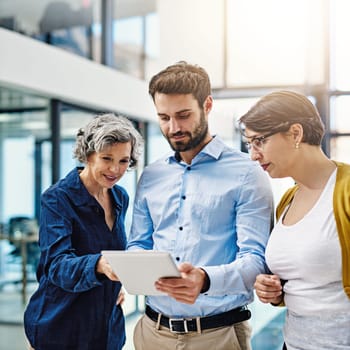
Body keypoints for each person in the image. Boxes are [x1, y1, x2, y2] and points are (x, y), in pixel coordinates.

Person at [127, 61, 274, 350]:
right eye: (164, 117)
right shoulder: (151, 175)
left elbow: (256, 261)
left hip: (217, 336)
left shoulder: (247, 173)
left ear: (207, 105)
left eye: (183, 115)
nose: (174, 127)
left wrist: (205, 280)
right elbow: (138, 244)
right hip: (151, 333)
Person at [238, 90, 350, 350]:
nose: (254, 155)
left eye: (259, 141)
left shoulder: (344, 191)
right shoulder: (288, 200)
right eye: (249, 144)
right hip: (294, 343)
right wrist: (274, 291)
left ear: (296, 134)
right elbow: (304, 278)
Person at [24, 113, 143, 350]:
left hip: (104, 329)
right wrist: (99, 265)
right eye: (106, 158)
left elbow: (114, 250)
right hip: (60, 327)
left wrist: (117, 283)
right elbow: (56, 265)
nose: (115, 169)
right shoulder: (57, 198)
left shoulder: (119, 197)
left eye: (123, 161)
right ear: (88, 155)